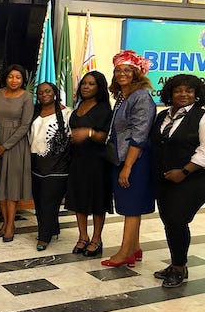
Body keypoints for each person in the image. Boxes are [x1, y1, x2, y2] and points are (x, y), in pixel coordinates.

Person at [101, 50, 156, 268]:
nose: (121, 74)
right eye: (118, 70)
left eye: (127, 70)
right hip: (122, 157)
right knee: (131, 205)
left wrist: (128, 167)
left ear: (136, 73)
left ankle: (124, 252)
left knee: (131, 207)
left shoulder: (141, 96)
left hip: (134, 160)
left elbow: (139, 135)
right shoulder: (124, 96)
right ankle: (134, 248)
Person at [150, 74, 205, 287]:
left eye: (189, 91)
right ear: (170, 93)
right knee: (169, 222)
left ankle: (179, 268)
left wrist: (183, 171)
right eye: (178, 90)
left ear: (196, 94)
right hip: (164, 179)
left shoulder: (201, 116)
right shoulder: (162, 115)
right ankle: (176, 263)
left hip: (192, 179)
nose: (183, 94)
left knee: (177, 220)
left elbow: (204, 151)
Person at [67, 71, 113, 257]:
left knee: (97, 201)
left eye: (91, 84)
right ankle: (83, 236)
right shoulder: (79, 105)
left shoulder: (104, 109)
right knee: (79, 199)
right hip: (77, 159)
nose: (86, 86)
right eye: (84, 83)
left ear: (99, 87)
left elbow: (105, 137)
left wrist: (89, 132)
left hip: (97, 162)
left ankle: (96, 239)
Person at [0, 64, 33, 242]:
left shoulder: (26, 97)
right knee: (0, 184)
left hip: (16, 144)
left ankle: (10, 224)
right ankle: (4, 223)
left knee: (12, 186)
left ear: (22, 80)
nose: (14, 80)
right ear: (5, 78)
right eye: (10, 76)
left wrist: (5, 146)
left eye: (18, 77)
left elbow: (25, 125)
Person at [29, 83, 71, 251]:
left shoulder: (66, 113)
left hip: (57, 164)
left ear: (55, 93)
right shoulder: (35, 112)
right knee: (39, 200)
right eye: (40, 92)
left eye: (47, 91)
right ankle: (52, 229)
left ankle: (44, 237)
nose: (44, 94)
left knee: (49, 201)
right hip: (36, 163)